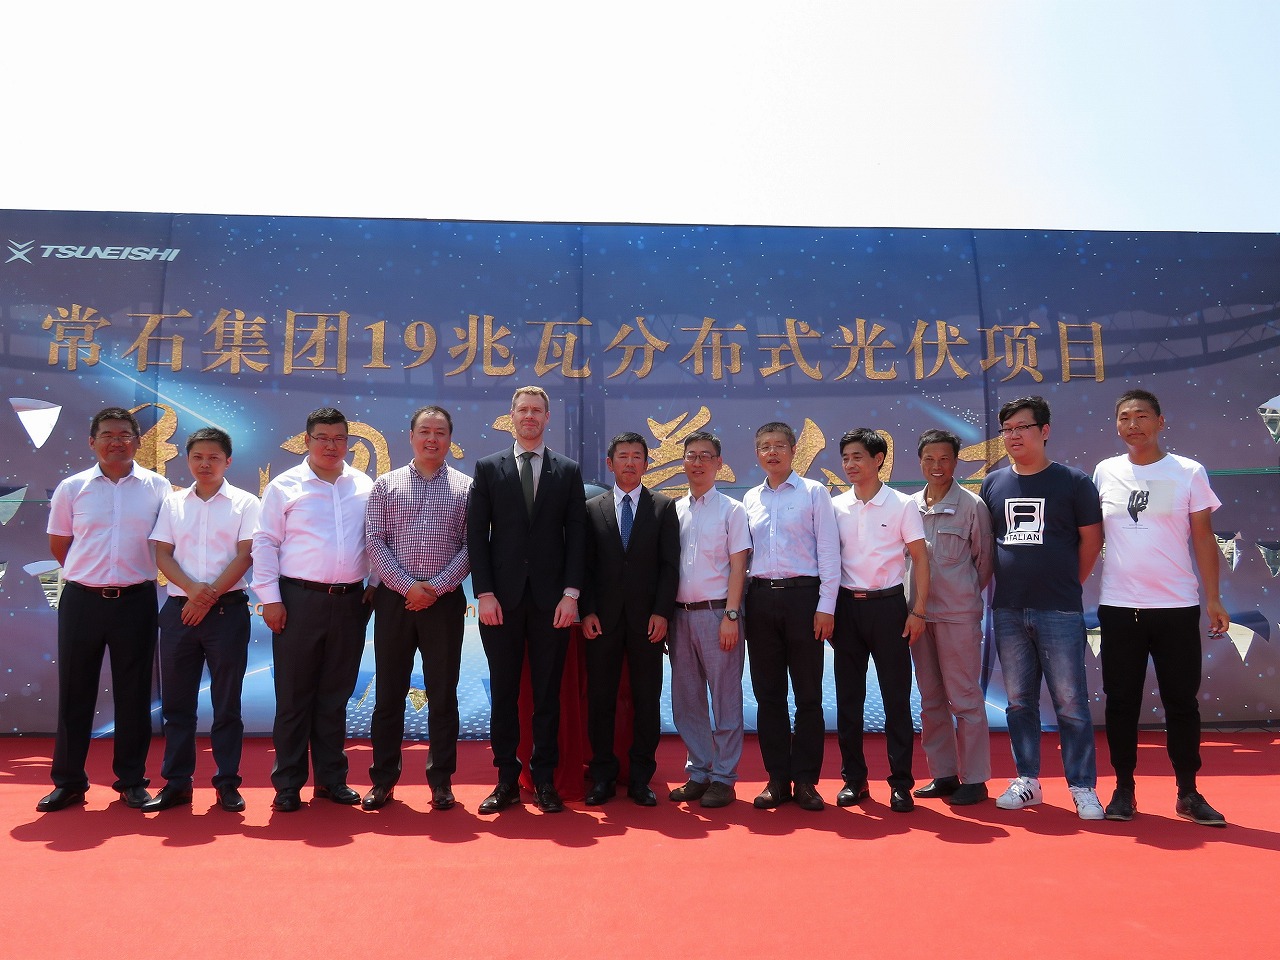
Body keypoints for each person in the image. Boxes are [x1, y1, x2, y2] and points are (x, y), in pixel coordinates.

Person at [1093, 389, 1229, 827]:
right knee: (1121, 702)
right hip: (1119, 607)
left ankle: (1188, 792)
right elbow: (1091, 535)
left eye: (1142, 416)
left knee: (1181, 702)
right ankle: (1123, 789)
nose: (1133, 425)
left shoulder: (1188, 471)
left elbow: (1203, 537)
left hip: (1176, 606)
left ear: (1160, 422)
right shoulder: (1105, 471)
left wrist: (1213, 598)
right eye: (1124, 417)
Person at [39, 406, 171, 812]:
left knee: (134, 693)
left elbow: (167, 544)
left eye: (124, 434)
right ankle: (69, 782)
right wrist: (90, 573)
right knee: (75, 691)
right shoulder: (72, 487)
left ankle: (131, 781)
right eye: (108, 435)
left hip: (136, 600)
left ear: (138, 441)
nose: (117, 441)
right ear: (92, 441)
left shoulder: (158, 487)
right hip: (82, 600)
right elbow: (60, 544)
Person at [980, 396, 1106, 820]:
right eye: (1007, 429)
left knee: (1070, 702)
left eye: (1023, 427)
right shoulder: (993, 484)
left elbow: (1091, 541)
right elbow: (989, 544)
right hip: (1008, 610)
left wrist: (1067, 584)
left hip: (1060, 610)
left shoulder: (1073, 481)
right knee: (1019, 702)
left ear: (1045, 430)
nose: (1013, 436)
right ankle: (1028, 780)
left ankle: (1083, 787)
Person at [467, 386, 586, 814]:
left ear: (547, 417)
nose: (530, 416)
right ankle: (506, 780)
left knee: (547, 696)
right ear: (512, 416)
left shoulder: (567, 470)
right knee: (504, 694)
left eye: (537, 410)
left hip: (552, 604)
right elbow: (476, 534)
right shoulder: (488, 468)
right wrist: (484, 593)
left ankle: (544, 779)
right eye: (523, 410)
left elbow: (577, 536)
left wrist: (571, 594)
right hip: (500, 602)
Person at [251, 407, 374, 813]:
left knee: (335, 696)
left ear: (348, 443)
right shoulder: (284, 486)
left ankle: (331, 780)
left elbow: (376, 538)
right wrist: (270, 599)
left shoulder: (364, 485)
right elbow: (265, 542)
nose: (331, 446)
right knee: (294, 697)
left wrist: (374, 584)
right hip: (298, 600)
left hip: (351, 601)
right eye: (322, 437)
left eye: (339, 438)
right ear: (307, 441)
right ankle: (288, 784)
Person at [144, 427, 260, 813]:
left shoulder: (245, 503)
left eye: (213, 458)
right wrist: (193, 590)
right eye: (197, 457)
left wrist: (206, 597)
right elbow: (162, 554)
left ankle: (227, 783)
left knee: (227, 704)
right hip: (180, 612)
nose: (205, 464)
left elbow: (245, 555)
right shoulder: (174, 503)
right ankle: (177, 783)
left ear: (228, 461)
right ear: (188, 460)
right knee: (177, 705)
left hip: (226, 612)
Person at [363, 406, 472, 812]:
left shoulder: (467, 487)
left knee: (443, 694)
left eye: (440, 432)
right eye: (425, 431)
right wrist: (408, 586)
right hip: (395, 599)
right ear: (411, 436)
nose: (432, 439)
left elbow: (471, 546)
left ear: (449, 440)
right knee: (389, 693)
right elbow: (375, 541)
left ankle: (441, 781)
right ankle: (383, 780)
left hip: (443, 602)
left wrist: (436, 588)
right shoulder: (385, 485)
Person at [829, 428, 930, 813]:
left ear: (878, 459)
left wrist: (918, 611)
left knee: (896, 700)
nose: (850, 465)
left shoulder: (901, 505)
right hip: (846, 610)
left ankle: (901, 783)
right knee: (848, 699)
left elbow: (920, 559)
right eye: (845, 458)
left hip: (889, 608)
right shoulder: (836, 506)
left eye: (858, 457)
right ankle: (854, 780)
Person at [743, 421, 840, 811]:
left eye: (779, 445)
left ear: (794, 449)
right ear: (757, 454)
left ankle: (806, 781)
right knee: (768, 695)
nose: (772, 452)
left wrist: (826, 606)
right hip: (760, 600)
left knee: (808, 696)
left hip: (804, 599)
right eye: (765, 446)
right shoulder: (749, 498)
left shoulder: (814, 492)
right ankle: (777, 780)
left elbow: (829, 553)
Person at [580, 432, 680, 806]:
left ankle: (641, 778)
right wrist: (587, 610)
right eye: (623, 456)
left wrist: (662, 612)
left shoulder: (663, 507)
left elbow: (670, 567)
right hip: (602, 621)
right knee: (601, 699)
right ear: (610, 463)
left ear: (646, 464)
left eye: (637, 456)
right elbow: (585, 566)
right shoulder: (593, 508)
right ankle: (602, 777)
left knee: (646, 699)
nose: (630, 462)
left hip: (647, 621)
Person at [908, 429, 994, 807]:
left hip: (958, 615)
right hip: (918, 617)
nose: (937, 465)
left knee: (965, 698)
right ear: (920, 462)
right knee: (931, 698)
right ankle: (943, 773)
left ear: (956, 462)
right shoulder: (909, 506)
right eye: (929, 458)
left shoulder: (972, 505)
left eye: (944, 458)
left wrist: (961, 594)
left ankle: (975, 779)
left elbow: (984, 562)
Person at [667, 431, 752, 809]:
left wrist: (731, 614)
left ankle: (724, 777)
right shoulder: (673, 510)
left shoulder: (732, 510)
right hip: (679, 617)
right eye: (691, 455)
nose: (697, 462)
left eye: (705, 456)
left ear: (719, 463)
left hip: (719, 615)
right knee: (687, 701)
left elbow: (739, 566)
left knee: (725, 699)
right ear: (683, 462)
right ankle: (699, 771)